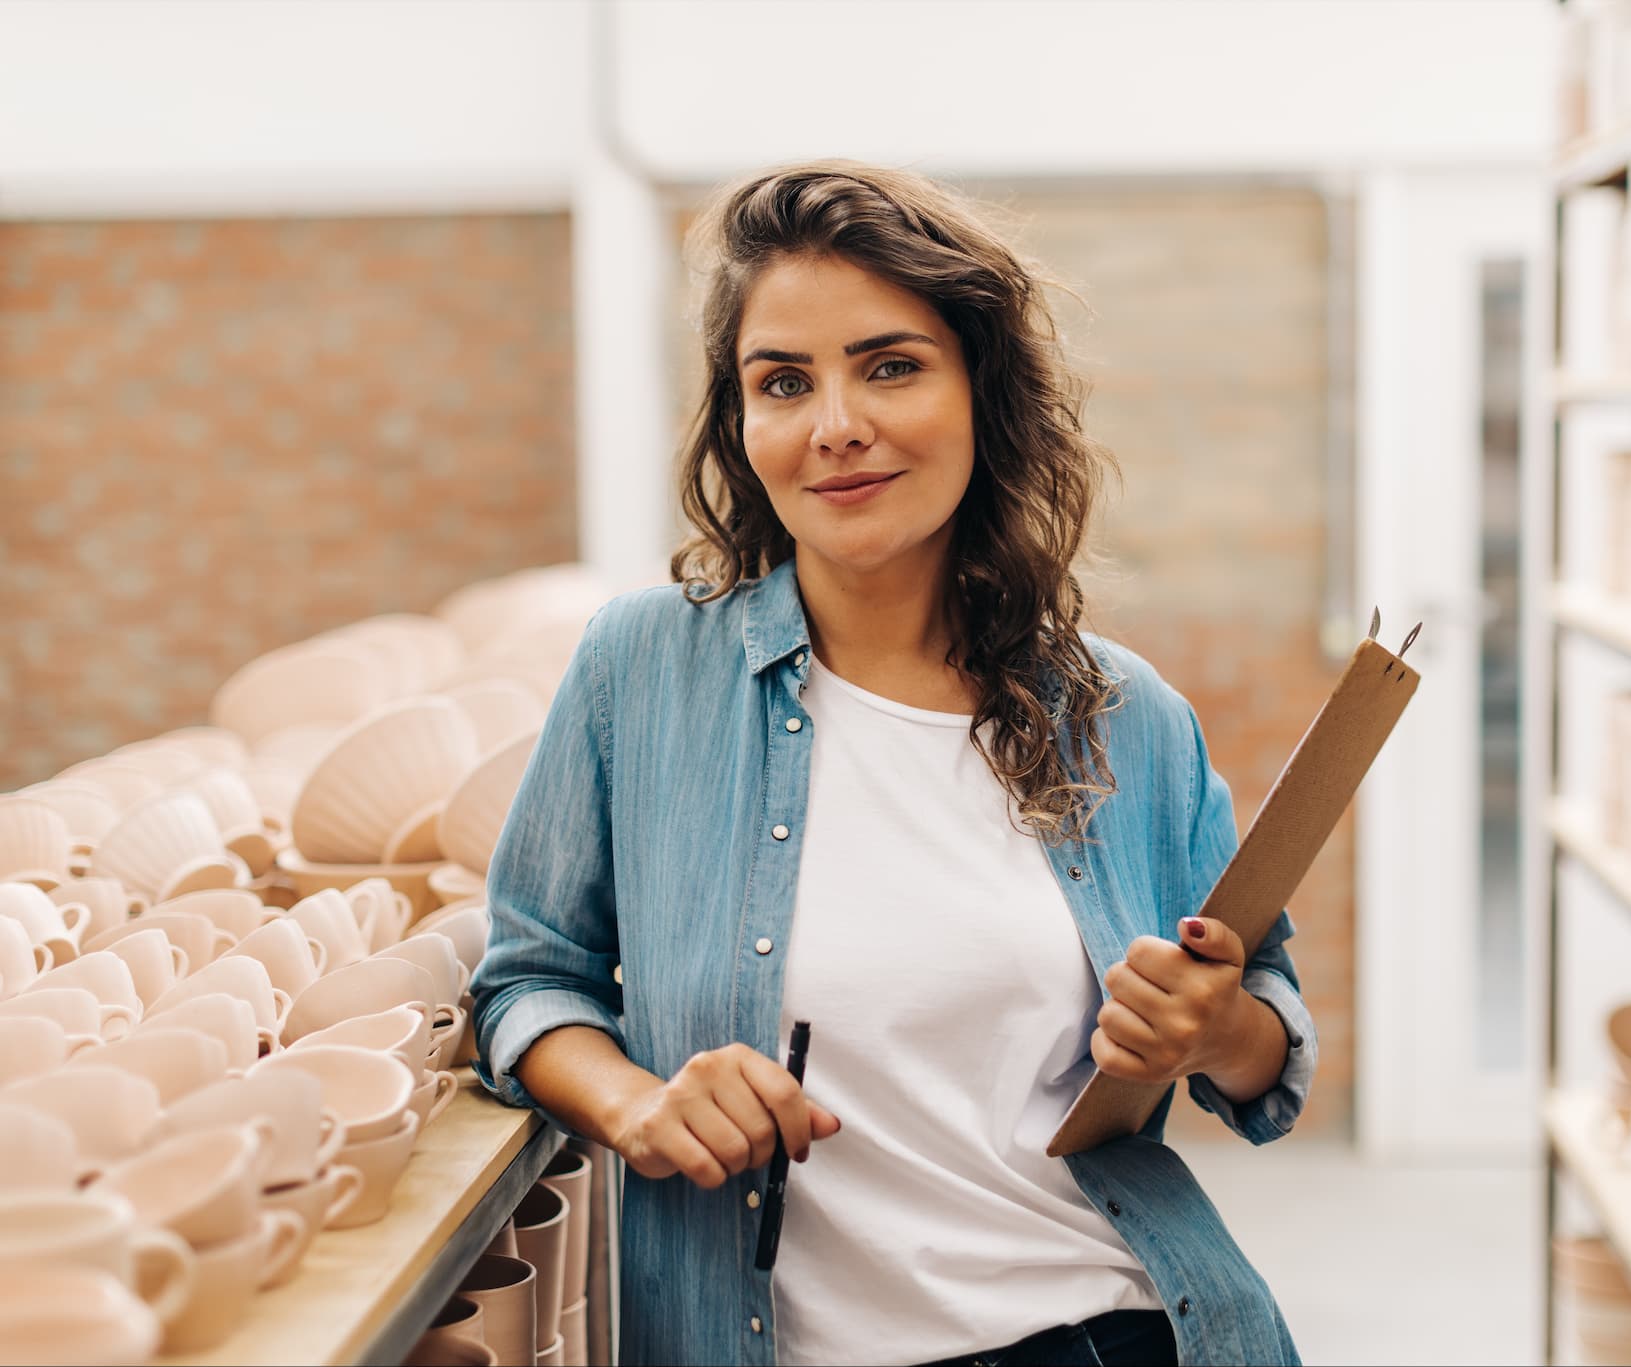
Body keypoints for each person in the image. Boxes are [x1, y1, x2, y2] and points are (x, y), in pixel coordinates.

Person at [470, 158, 1318, 1367]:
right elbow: (526, 980)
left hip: (1111, 1328)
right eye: (783, 382)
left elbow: (1268, 1040)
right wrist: (641, 1106)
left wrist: (1214, 1026)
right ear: (740, 421)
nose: (836, 427)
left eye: (890, 365)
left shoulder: (1123, 714)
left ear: (983, 390)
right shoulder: (641, 672)